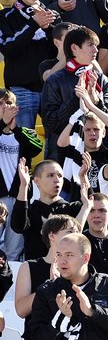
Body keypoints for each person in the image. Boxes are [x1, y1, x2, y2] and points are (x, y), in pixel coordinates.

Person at [14, 215, 85, 340]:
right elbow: (21, 310)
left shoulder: (80, 269)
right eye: (69, 231)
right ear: (52, 235)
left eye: (77, 232)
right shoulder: (30, 266)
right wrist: (49, 285)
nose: (75, 235)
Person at [41, 26, 108, 160]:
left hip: (99, 153)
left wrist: (96, 101)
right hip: (65, 153)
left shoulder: (102, 79)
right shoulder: (55, 80)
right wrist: (76, 98)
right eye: (90, 45)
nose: (96, 50)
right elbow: (51, 123)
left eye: (96, 46)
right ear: (74, 48)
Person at [0, 0, 59, 129]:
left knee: (56, 138)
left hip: (51, 88)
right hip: (22, 89)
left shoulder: (51, 15)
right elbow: (7, 48)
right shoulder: (5, 16)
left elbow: (60, 53)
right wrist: (33, 24)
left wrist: (49, 30)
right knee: (24, 139)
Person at [11, 158, 89, 261]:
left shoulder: (73, 208)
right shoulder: (30, 210)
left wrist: (83, 177)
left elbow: (92, 204)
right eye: (50, 175)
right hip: (36, 268)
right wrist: (24, 185)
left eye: (60, 176)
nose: (57, 180)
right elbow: (18, 226)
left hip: (67, 268)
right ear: (37, 181)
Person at [0, 90, 43, 261]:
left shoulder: (24, 132)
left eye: (9, 103)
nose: (6, 107)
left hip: (19, 199)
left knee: (14, 250)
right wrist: (2, 123)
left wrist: (16, 129)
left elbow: (36, 148)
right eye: (1, 103)